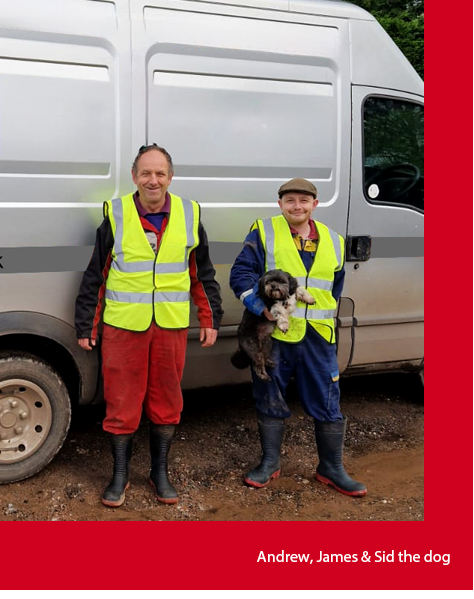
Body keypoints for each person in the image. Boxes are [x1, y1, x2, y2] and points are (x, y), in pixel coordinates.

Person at [75, 144, 222, 507]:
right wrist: (85, 325)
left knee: (167, 401)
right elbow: (97, 274)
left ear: (170, 177)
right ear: (134, 177)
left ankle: (160, 474)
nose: (152, 180)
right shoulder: (117, 214)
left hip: (169, 326)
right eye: (145, 173)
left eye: (159, 173)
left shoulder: (190, 215)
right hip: (123, 327)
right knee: (122, 402)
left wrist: (210, 316)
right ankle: (120, 475)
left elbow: (201, 273)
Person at [229, 178, 367, 497]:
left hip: (318, 338)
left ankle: (331, 468)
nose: (297, 206)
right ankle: (269, 462)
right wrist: (258, 306)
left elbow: (335, 288)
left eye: (304, 201)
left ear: (314, 205)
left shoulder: (334, 240)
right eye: (290, 200)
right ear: (280, 204)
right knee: (269, 395)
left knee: (327, 400)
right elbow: (241, 274)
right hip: (274, 335)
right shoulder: (264, 231)